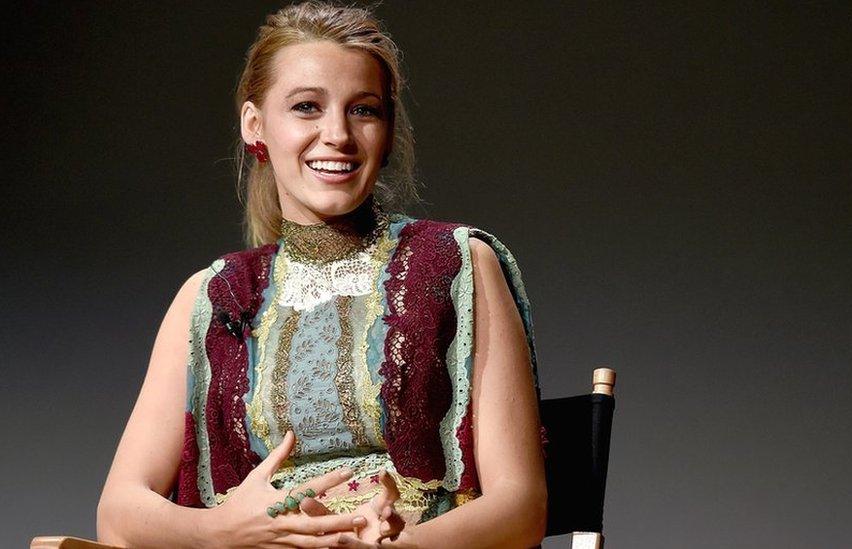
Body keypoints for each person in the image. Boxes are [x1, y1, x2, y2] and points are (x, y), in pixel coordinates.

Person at [96, 2, 547, 548]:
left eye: (364, 110)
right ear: (255, 125)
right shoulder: (212, 297)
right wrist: (220, 530)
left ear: (388, 129)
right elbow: (118, 514)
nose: (337, 134)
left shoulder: (458, 264)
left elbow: (521, 506)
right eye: (307, 107)